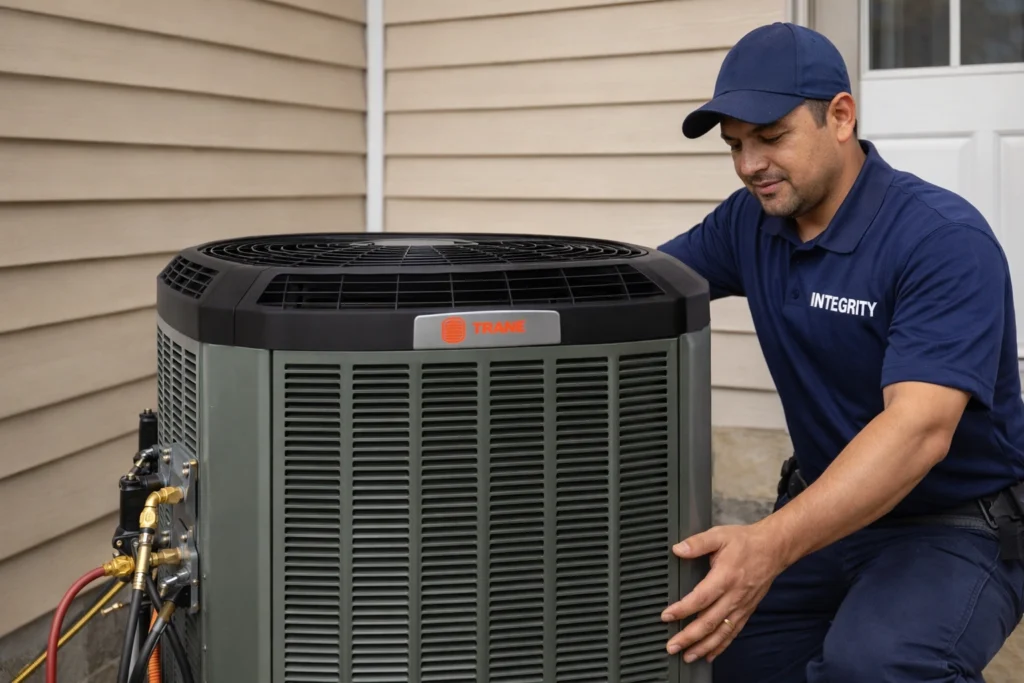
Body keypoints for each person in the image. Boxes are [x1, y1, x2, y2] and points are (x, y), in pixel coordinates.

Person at [656, 21, 1024, 682]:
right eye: (735, 146)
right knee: (704, 642)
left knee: (875, 665)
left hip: (954, 525)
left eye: (771, 137)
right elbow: (644, 287)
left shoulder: (940, 240)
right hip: (831, 513)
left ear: (841, 116)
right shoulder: (752, 222)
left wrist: (767, 544)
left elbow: (918, 432)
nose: (749, 166)